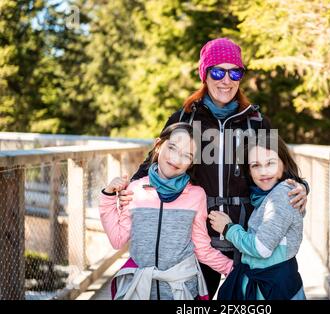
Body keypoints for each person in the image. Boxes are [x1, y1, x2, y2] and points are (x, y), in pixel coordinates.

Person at [117, 37, 310, 298]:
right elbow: (157, 159)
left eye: (235, 72)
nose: (226, 80)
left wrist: (301, 186)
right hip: (196, 237)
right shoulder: (186, 116)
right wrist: (127, 187)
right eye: (218, 71)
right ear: (205, 74)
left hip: (245, 234)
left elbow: (279, 165)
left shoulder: (254, 121)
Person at [99, 123, 233, 300]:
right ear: (158, 145)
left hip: (180, 291)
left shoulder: (196, 195)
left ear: (192, 163)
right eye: (172, 148)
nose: (177, 159)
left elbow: (201, 248)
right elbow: (117, 240)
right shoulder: (135, 189)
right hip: (139, 289)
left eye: (187, 155)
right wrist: (108, 196)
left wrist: (234, 269)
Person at [208, 135, 306, 300]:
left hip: (275, 290)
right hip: (266, 286)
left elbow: (262, 248)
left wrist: (228, 229)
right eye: (255, 165)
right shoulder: (263, 195)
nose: (263, 172)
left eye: (270, 163)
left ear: (284, 163)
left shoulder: (282, 195)